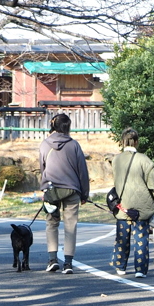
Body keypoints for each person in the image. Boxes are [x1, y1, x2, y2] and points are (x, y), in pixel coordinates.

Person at [39, 113, 91, 274]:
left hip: (51, 189)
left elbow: (43, 168)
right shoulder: (74, 145)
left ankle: (52, 259)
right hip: (72, 189)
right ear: (67, 127)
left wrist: (44, 188)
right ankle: (68, 263)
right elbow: (82, 171)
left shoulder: (44, 144)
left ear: (53, 125)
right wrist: (84, 194)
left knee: (51, 224)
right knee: (70, 226)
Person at [110, 128, 154, 278]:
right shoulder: (145, 160)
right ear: (137, 141)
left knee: (122, 237)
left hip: (123, 205)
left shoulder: (116, 160)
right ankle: (140, 270)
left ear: (122, 141)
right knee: (141, 238)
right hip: (143, 206)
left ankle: (120, 266)